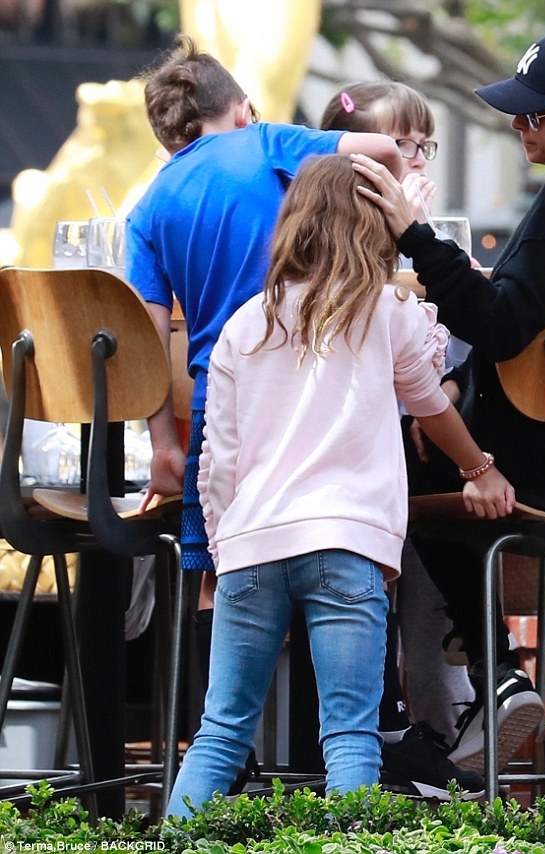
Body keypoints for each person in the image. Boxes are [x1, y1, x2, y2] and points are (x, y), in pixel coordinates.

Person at [166, 153, 515, 817]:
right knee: (350, 735)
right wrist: (479, 468)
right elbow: (431, 406)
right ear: (376, 230)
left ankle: (173, 843)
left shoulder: (246, 323)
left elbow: (218, 460)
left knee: (220, 732)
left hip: (250, 544)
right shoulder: (386, 312)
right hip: (346, 546)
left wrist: (223, 546)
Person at [350, 25, 545, 775]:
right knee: (436, 433)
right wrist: (457, 382)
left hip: (525, 461)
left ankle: (482, 679)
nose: (518, 125)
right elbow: (543, 333)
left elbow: (501, 325)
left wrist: (415, 235)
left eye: (536, 114)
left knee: (397, 461)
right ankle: (488, 685)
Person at [124, 34, 401, 769]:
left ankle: (226, 762)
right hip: (320, 374)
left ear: (167, 137)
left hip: (221, 401)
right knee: (334, 558)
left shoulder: (148, 206)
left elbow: (145, 342)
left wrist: (163, 444)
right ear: (241, 109)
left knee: (220, 571)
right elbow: (382, 147)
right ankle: (328, 757)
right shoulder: (265, 141)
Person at [319, 81, 476, 751]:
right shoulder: (318, 241)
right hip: (337, 468)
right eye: (397, 144)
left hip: (411, 454)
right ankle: (410, 729)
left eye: (422, 145)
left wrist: (423, 243)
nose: (413, 159)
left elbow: (463, 339)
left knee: (431, 551)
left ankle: (446, 727)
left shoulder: (430, 243)